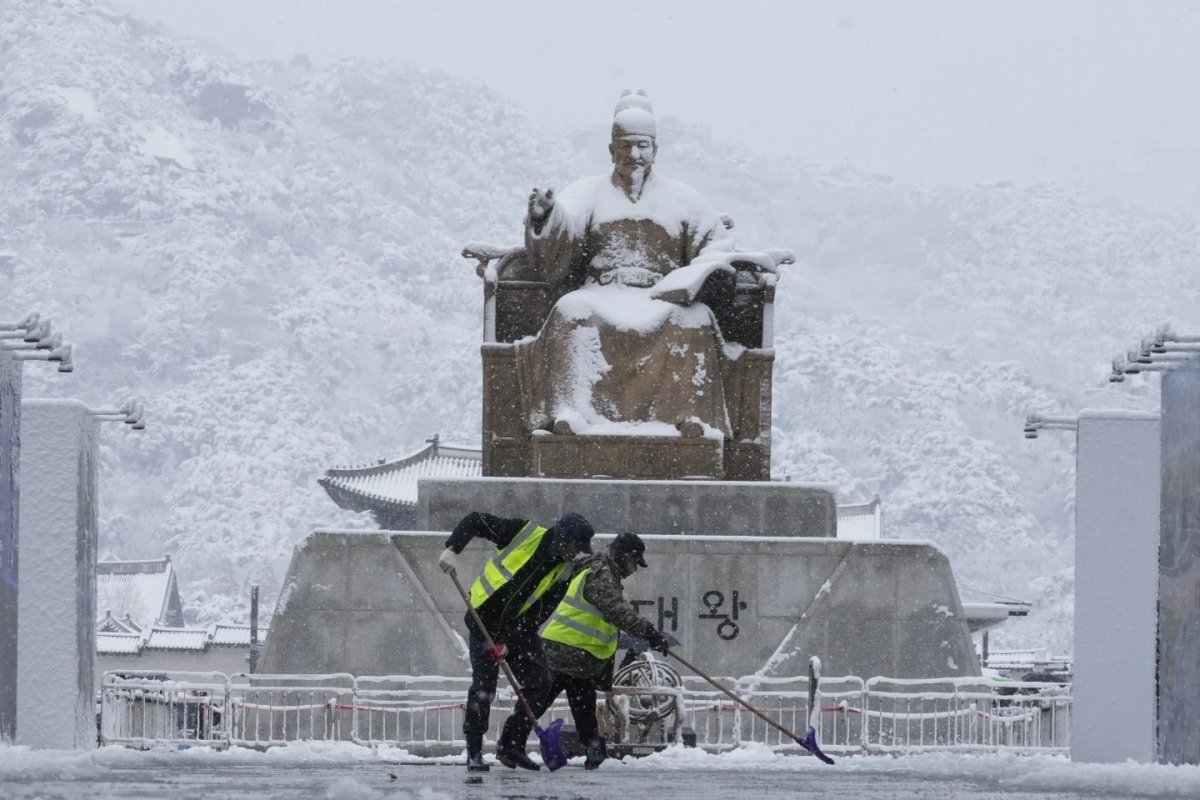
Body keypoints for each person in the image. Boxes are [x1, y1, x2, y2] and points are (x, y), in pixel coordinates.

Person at [514, 90, 747, 439]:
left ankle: (688, 419)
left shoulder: (683, 199)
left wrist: (697, 274)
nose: (634, 155)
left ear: (655, 149)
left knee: (695, 318)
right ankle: (572, 414)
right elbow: (563, 232)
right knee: (570, 310)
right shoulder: (588, 192)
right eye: (625, 146)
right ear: (612, 149)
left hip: (662, 297)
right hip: (602, 292)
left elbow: (716, 244)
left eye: (642, 146)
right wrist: (546, 216)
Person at [495, 532, 671, 770]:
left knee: (580, 703)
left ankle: (591, 749)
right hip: (564, 651)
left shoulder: (595, 569)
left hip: (579, 655)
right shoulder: (601, 574)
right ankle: (511, 746)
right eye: (633, 562)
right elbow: (617, 611)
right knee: (541, 700)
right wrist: (650, 633)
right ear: (621, 555)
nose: (633, 569)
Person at [438, 511, 595, 772]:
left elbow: (541, 612)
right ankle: (474, 752)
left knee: (541, 682)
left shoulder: (565, 570)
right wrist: (453, 548)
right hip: (482, 622)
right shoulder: (524, 533)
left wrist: (509, 642)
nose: (576, 553)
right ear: (564, 538)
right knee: (483, 689)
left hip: (518, 629)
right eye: (575, 546)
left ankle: (511, 744)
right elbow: (476, 520)